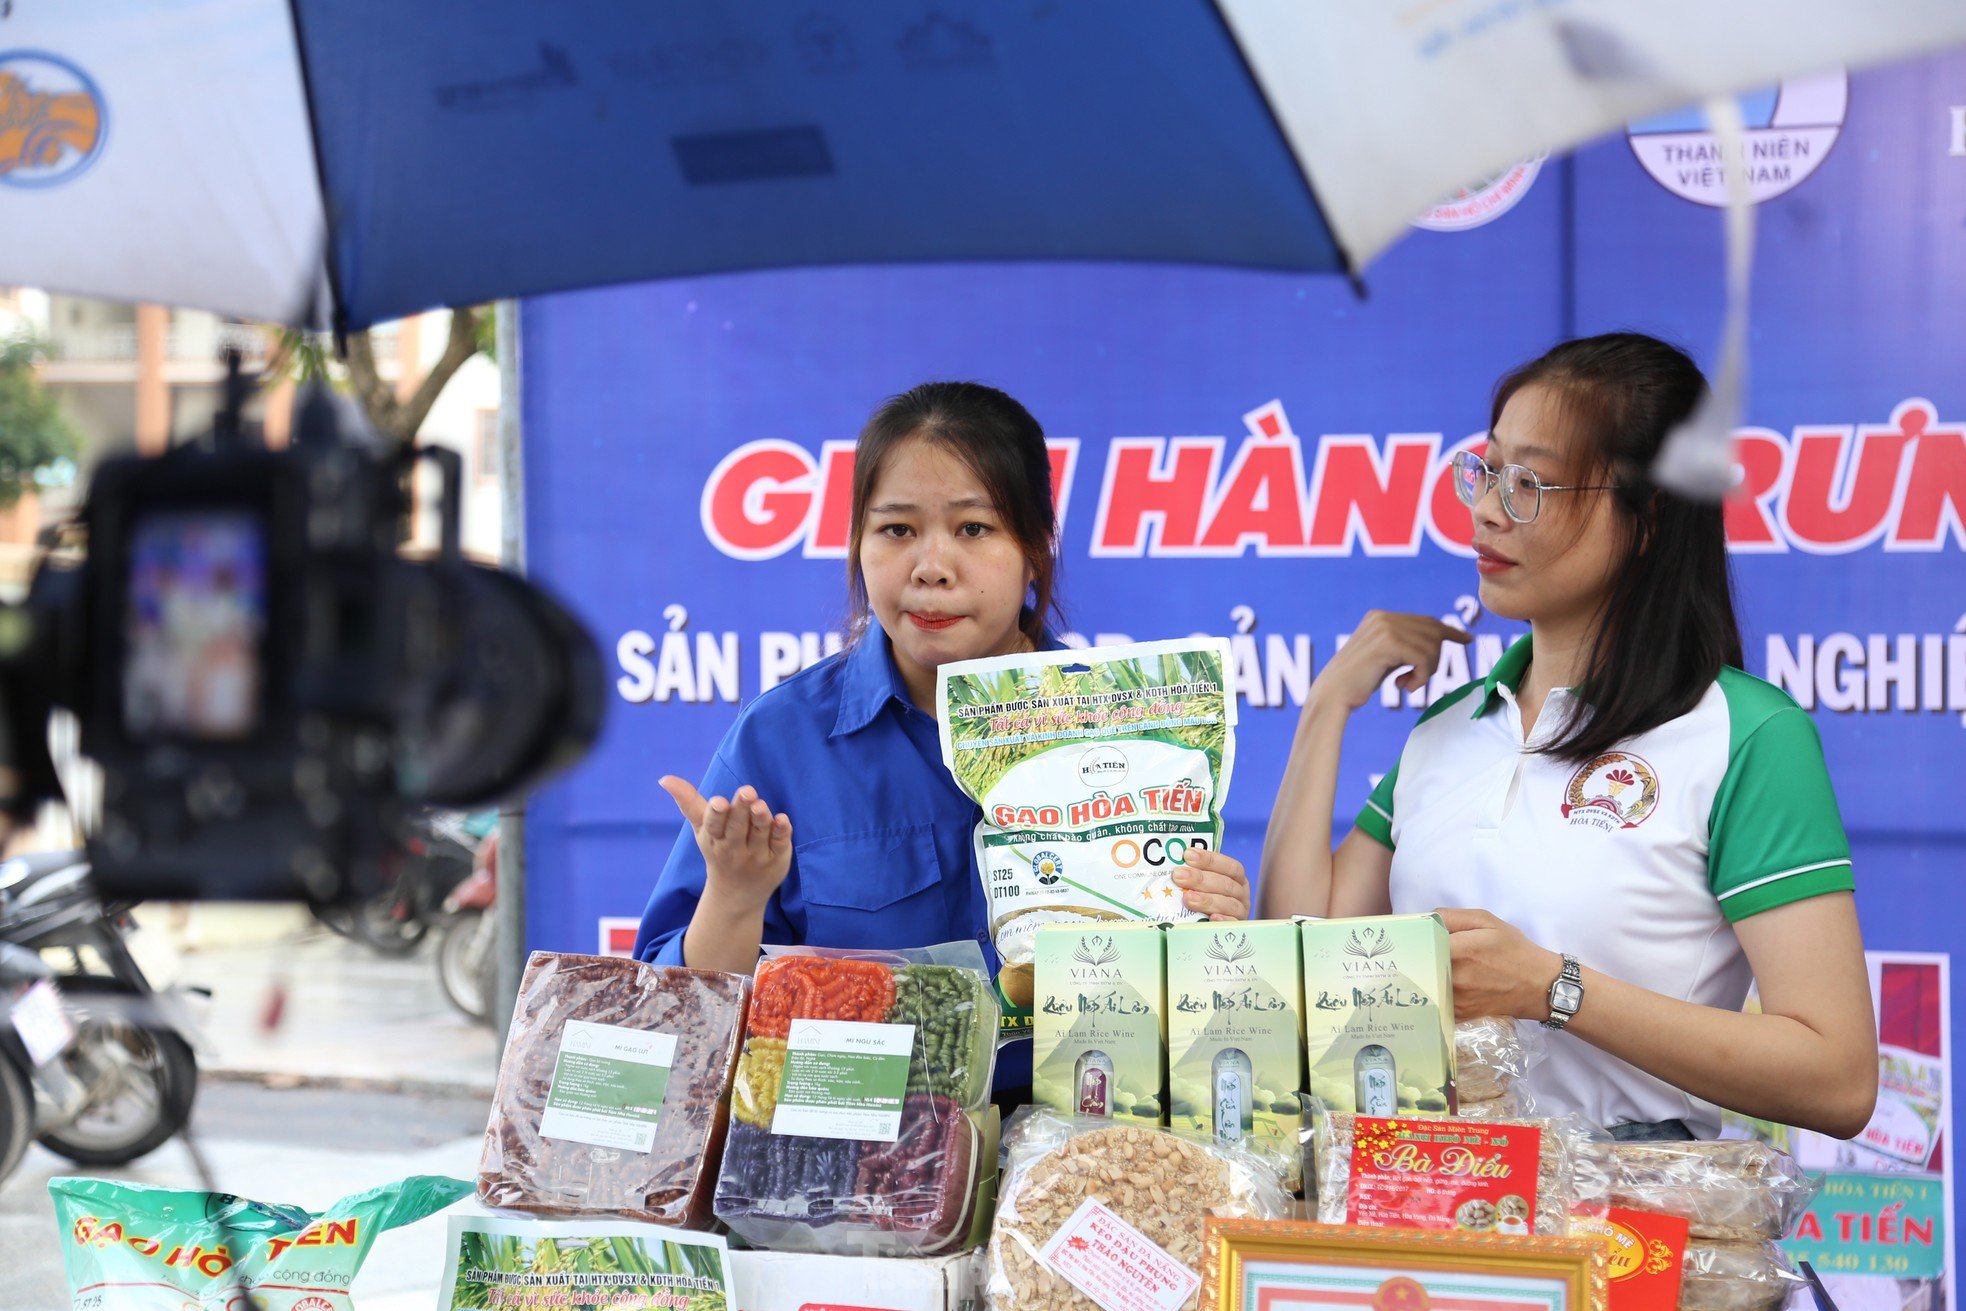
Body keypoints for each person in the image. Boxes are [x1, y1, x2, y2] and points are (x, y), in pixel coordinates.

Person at [1257, 333, 1877, 1141]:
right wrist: (1325, 708)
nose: (1485, 508)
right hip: (1423, 1216)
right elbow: (1299, 955)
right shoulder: (1447, 732)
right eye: (1484, 470)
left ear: (1648, 516)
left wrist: (1552, 986)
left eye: (1529, 483)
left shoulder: (1745, 734)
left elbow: (1837, 1077)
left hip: (1628, 1239)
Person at [634, 381, 1252, 1095]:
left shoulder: (1135, 726)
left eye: (973, 529)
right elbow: (678, 1025)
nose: (932, 565)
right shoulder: (780, 740)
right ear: (858, 545)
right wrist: (735, 897)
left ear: (1033, 548)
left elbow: (1192, 1026)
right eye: (897, 529)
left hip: (1079, 1149)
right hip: (857, 1165)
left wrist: (1211, 926)